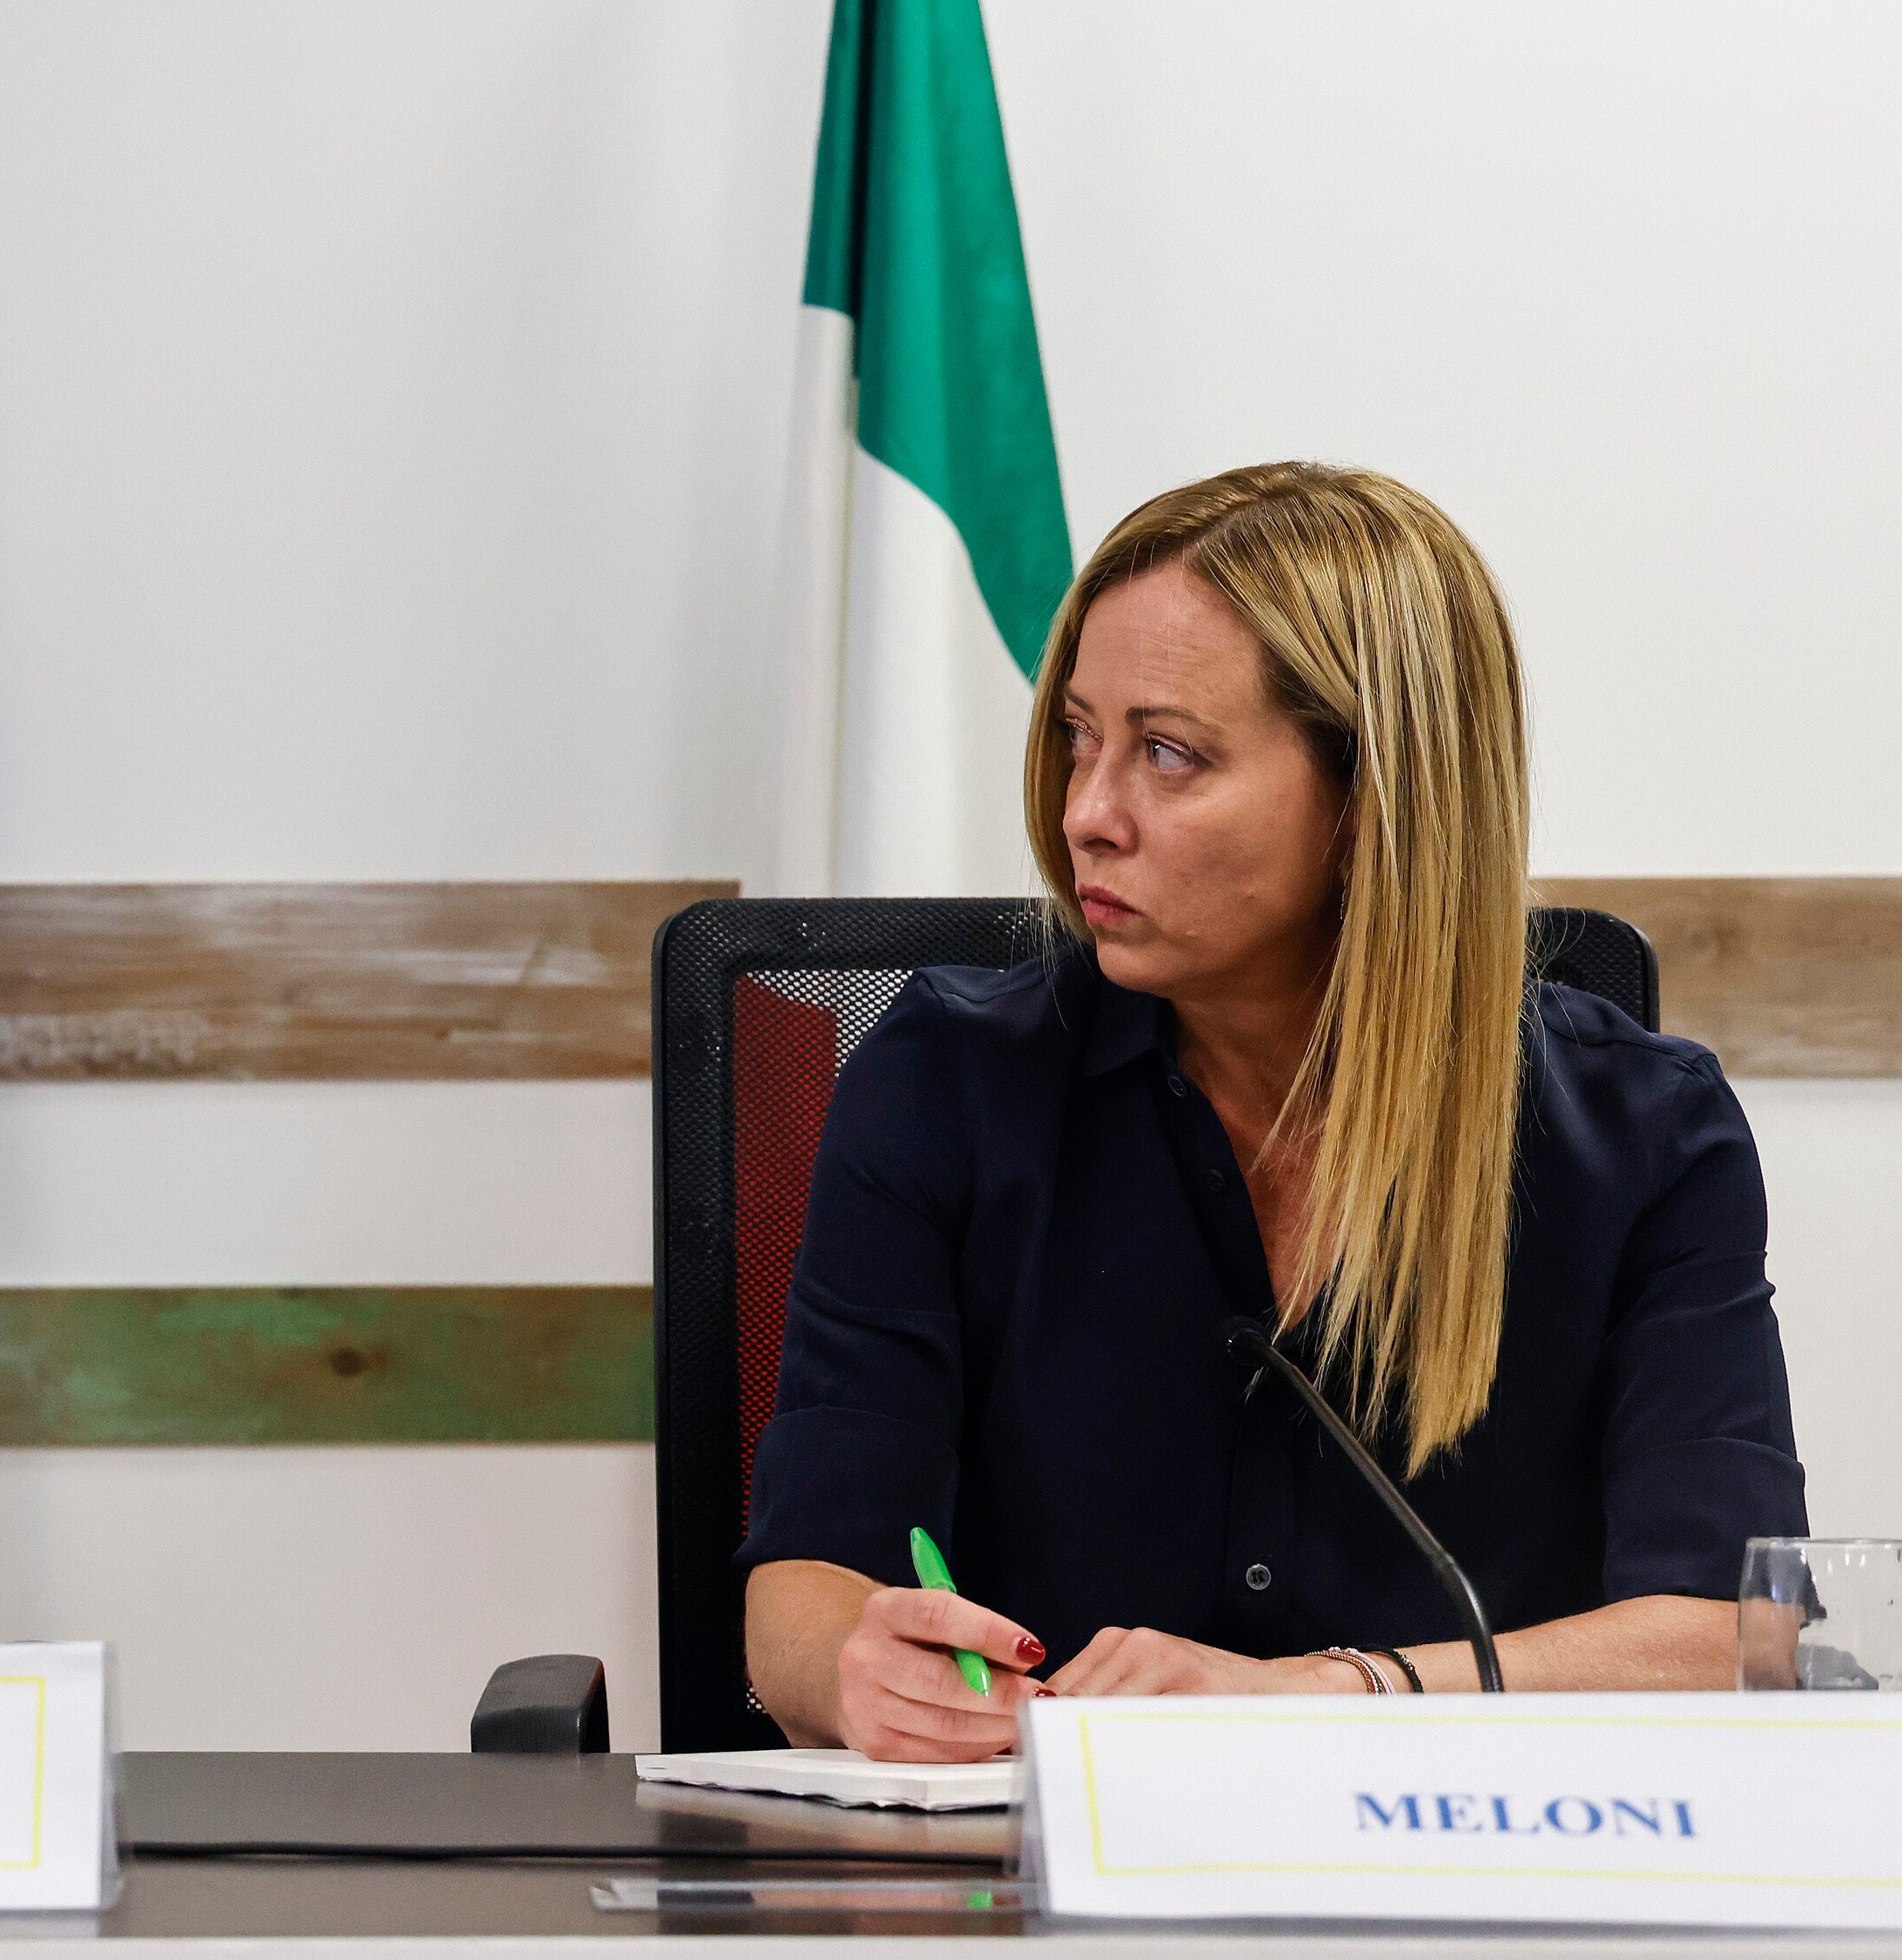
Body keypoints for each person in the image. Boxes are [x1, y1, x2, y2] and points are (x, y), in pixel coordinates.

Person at [739, 462, 1805, 1759]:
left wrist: (1323, 1695)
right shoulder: (943, 1082)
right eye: (1080, 736)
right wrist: (860, 1671)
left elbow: (1727, 1641)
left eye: (1168, 755)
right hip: (1036, 1894)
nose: (1085, 815)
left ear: (1369, 803)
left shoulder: (1642, 1138)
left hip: (1477, 1881)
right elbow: (805, 1585)